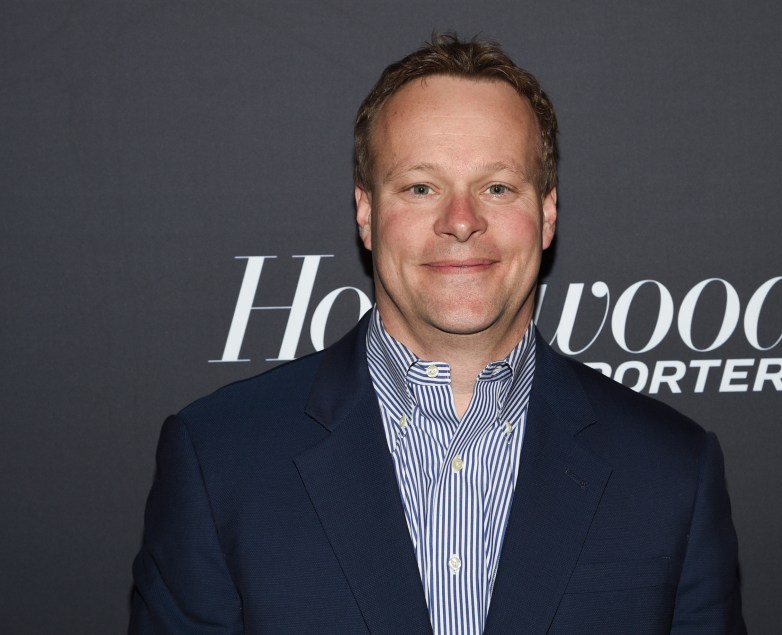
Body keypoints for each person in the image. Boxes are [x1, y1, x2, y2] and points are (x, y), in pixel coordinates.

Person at [130, 33, 746, 634]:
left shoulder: (671, 472)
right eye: (421, 187)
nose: (460, 222)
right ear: (367, 214)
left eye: (497, 187)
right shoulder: (218, 460)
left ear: (548, 213)